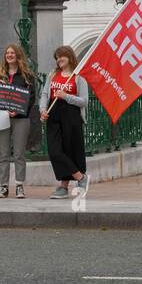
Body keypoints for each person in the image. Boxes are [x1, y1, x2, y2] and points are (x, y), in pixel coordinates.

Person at [41, 45, 90, 199]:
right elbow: (44, 94)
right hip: (53, 114)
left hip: (71, 116)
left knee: (69, 150)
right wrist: (42, 109)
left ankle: (63, 186)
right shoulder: (52, 75)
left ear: (69, 57)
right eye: (57, 57)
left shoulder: (78, 77)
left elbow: (84, 101)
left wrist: (66, 96)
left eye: (61, 56)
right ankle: (81, 177)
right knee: (55, 150)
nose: (59, 59)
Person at [0, 43, 37, 199]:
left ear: (18, 55)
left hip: (21, 118)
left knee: (19, 154)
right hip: (2, 118)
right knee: (4, 154)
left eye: (12, 53)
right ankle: (4, 187)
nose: (9, 55)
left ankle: (19, 185)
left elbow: (31, 97)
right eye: (7, 53)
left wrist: (18, 110)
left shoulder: (27, 76)